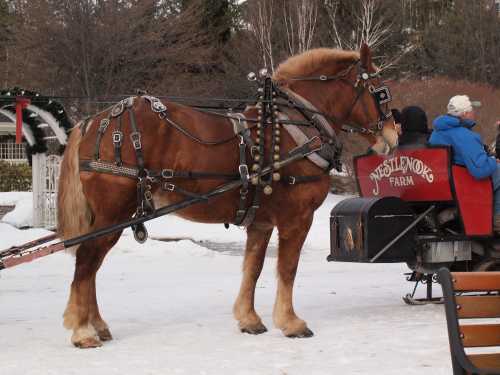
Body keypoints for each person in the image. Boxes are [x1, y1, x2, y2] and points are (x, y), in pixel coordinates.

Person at [429, 95, 500, 231]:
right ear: (465, 114)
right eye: (472, 109)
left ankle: (453, 212)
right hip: (463, 185)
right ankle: (497, 220)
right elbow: (481, 170)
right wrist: (491, 160)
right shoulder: (464, 135)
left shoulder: (437, 133)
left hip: (444, 185)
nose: (474, 112)